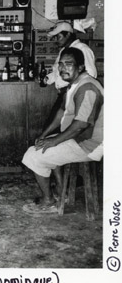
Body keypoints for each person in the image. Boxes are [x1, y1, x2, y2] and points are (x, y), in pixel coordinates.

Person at [22, 47, 103, 213]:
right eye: (60, 64)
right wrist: (44, 135)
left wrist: (54, 141)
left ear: (80, 67)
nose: (62, 68)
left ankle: (49, 201)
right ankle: (61, 192)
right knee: (42, 145)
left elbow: (81, 124)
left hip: (89, 144)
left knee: (32, 156)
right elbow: (61, 113)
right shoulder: (74, 84)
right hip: (79, 138)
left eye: (68, 64)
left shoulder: (87, 87)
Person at [44, 21, 97, 124]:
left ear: (68, 34)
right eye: (54, 37)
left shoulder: (83, 49)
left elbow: (91, 74)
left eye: (58, 36)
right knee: (56, 126)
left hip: (74, 96)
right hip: (64, 96)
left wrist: (73, 89)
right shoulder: (64, 51)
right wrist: (46, 79)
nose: (56, 40)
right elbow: (58, 72)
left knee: (60, 128)